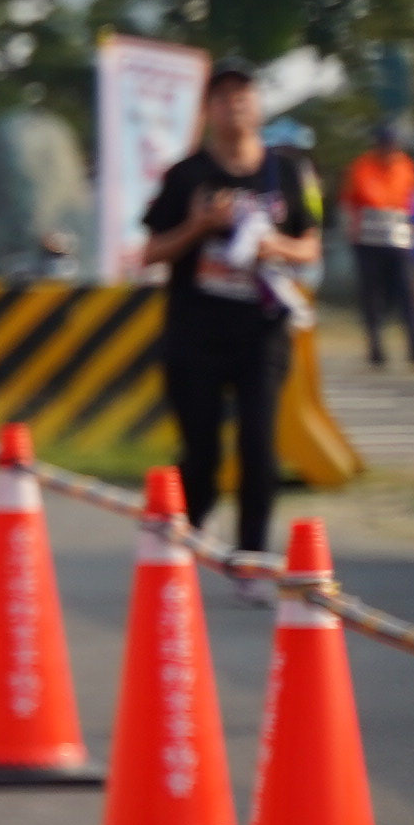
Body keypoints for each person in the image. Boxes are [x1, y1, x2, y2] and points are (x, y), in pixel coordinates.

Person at [137, 60, 323, 573]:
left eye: (242, 96)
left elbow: (310, 246)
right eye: (221, 98)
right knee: (201, 451)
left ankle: (252, 558)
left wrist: (273, 245)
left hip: (261, 333)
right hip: (195, 332)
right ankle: (190, 535)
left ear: (258, 106)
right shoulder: (186, 175)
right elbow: (150, 252)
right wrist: (197, 226)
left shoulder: (287, 172)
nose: (233, 106)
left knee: (258, 446)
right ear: (207, 111)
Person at [346, 122, 414, 368]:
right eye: (385, 145)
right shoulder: (362, 167)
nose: (389, 150)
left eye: (392, 145)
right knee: (372, 297)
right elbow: (356, 199)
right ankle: (376, 347)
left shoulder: (406, 166)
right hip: (369, 243)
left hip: (399, 242)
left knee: (406, 294)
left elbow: (411, 201)